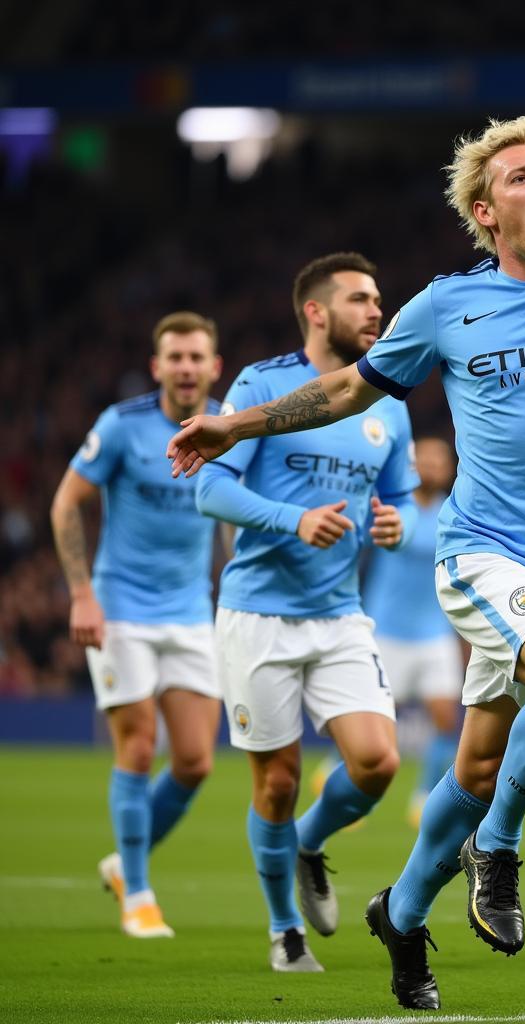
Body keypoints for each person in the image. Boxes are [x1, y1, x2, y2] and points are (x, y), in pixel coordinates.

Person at [168, 37, 525, 1009]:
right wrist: (238, 422)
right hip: (485, 551)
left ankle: (401, 910)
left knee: (476, 765)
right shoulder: (446, 306)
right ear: (487, 212)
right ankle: (503, 849)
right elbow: (351, 387)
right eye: (523, 176)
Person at [194, 252, 418, 971]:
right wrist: (293, 520)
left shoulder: (389, 404)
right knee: (278, 780)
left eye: (378, 298)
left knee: (379, 762)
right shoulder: (262, 386)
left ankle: (308, 842)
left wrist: (397, 525)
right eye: (360, 299)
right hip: (258, 614)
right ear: (317, 312)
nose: (376, 310)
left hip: (339, 614)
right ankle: (285, 931)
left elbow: (407, 501)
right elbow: (212, 492)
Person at [50, 312, 224, 939]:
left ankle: (123, 864)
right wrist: (81, 595)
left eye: (195, 357)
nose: (185, 367)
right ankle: (139, 893)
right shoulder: (121, 427)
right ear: (157, 367)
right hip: (120, 608)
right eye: (174, 357)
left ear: (213, 366)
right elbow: (67, 501)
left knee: (197, 761)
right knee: (138, 744)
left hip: (191, 612)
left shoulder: (226, 428)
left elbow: (231, 515)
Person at [361, 436, 464, 828]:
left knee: (445, 719)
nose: (434, 467)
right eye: (426, 460)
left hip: (434, 631)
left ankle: (424, 798)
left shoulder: (452, 515)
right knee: (375, 723)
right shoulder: (389, 509)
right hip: (385, 627)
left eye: (441, 461)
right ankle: (341, 774)